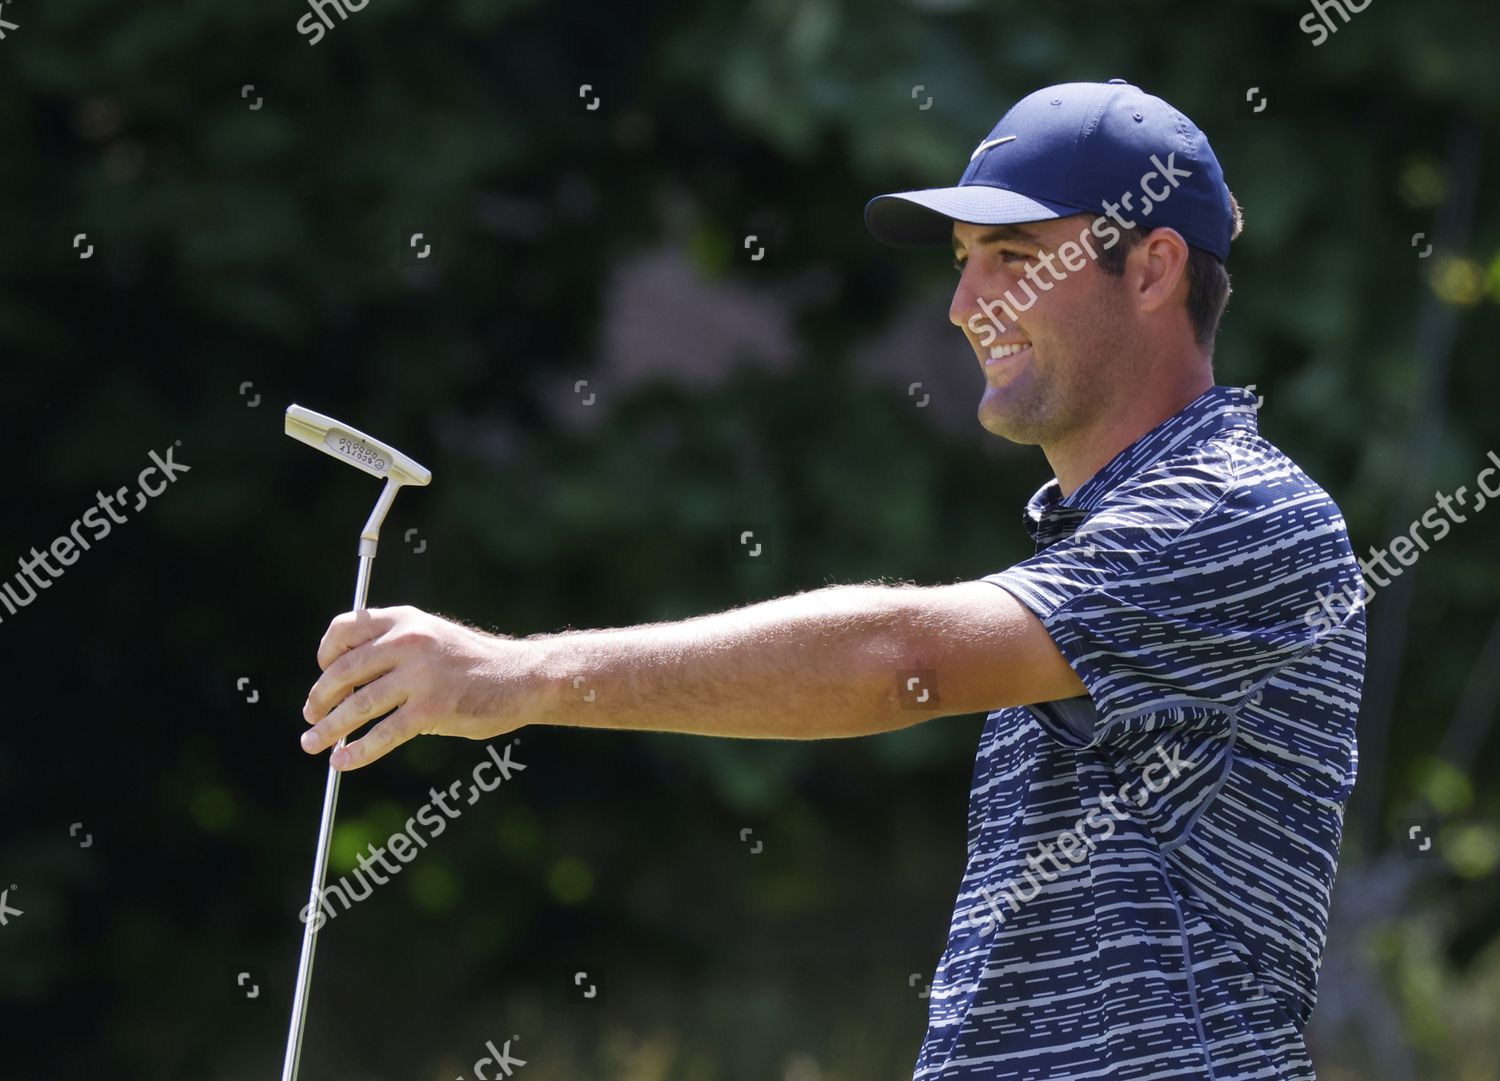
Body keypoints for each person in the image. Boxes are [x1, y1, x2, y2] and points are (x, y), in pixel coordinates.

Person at [299, 79, 1367, 1081]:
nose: (964, 303)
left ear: (1151, 268)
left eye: (1011, 255)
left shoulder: (1231, 510)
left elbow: (898, 660)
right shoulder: (1107, 535)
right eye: (961, 257)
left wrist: (519, 676)